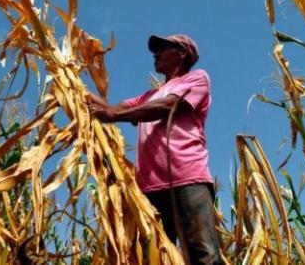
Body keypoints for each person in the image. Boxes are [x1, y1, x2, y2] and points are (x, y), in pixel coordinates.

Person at [87, 34, 224, 264]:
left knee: (202, 254)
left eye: (163, 48)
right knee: (153, 257)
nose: (156, 53)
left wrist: (113, 115)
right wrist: (74, 85)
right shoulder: (148, 96)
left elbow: (168, 106)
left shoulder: (196, 79)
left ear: (182, 53)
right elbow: (114, 108)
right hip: (149, 189)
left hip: (187, 180)